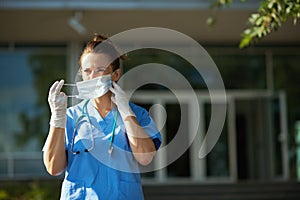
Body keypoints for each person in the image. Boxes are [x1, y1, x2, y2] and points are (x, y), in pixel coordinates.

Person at [43, 34, 162, 199]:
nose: (92, 77)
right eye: (87, 71)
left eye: (100, 70)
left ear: (115, 74)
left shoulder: (138, 115)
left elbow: (146, 157)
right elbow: (53, 168)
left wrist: (126, 113)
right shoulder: (69, 117)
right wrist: (57, 118)